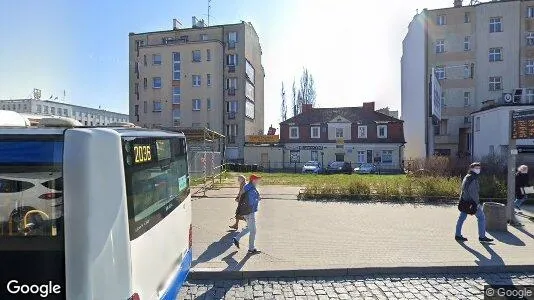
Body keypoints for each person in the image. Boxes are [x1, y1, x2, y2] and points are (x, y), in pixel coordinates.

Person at [455, 162, 494, 243]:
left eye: (479, 168)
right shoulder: (473, 178)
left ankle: (457, 235)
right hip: (472, 203)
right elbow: (474, 193)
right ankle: (482, 237)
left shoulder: (467, 176)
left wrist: (462, 199)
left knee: (461, 218)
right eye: (476, 168)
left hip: (465, 201)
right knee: (481, 218)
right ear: (471, 168)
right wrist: (477, 204)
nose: (478, 169)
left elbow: (463, 190)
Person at [232, 174, 261, 254]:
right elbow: (251, 201)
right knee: (253, 231)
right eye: (257, 179)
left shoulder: (249, 186)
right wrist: (258, 199)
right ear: (253, 180)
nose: (259, 181)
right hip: (249, 212)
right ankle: (251, 249)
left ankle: (237, 238)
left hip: (247, 211)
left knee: (249, 228)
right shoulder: (250, 188)